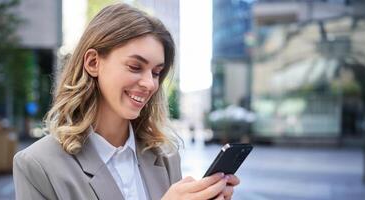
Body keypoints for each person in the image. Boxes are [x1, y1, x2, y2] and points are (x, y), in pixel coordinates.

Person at [12, 3, 240, 200]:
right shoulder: (37, 165)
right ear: (93, 62)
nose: (150, 84)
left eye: (156, 72)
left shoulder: (165, 156)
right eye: (135, 67)